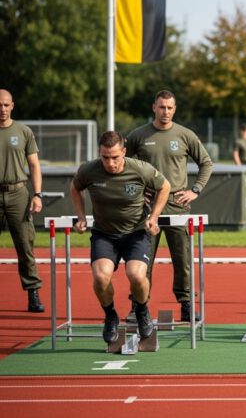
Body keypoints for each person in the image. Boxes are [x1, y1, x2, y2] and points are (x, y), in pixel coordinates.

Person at [70, 131, 171, 343]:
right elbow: (75, 188)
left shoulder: (140, 169)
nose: (110, 163)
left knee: (135, 275)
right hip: (104, 234)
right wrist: (80, 216)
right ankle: (110, 316)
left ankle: (142, 310)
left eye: (115, 157)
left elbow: (164, 187)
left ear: (124, 152)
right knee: (100, 277)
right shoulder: (89, 170)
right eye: (105, 157)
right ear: (100, 153)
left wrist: (154, 217)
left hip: (135, 233)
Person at [125, 90, 213, 322]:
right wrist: (136, 192)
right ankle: (137, 307)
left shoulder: (185, 135)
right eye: (162, 107)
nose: (166, 112)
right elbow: (121, 164)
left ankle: (186, 305)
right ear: (154, 107)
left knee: (182, 259)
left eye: (170, 108)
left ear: (175, 109)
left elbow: (206, 163)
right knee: (142, 259)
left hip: (177, 204)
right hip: (146, 207)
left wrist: (195, 190)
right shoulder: (138, 135)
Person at [0, 89, 45, 313]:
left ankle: (33, 292)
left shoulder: (23, 131)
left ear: (12, 106)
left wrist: (37, 194)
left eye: (6, 105)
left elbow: (35, 165)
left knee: (25, 245)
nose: (2, 109)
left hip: (18, 192)